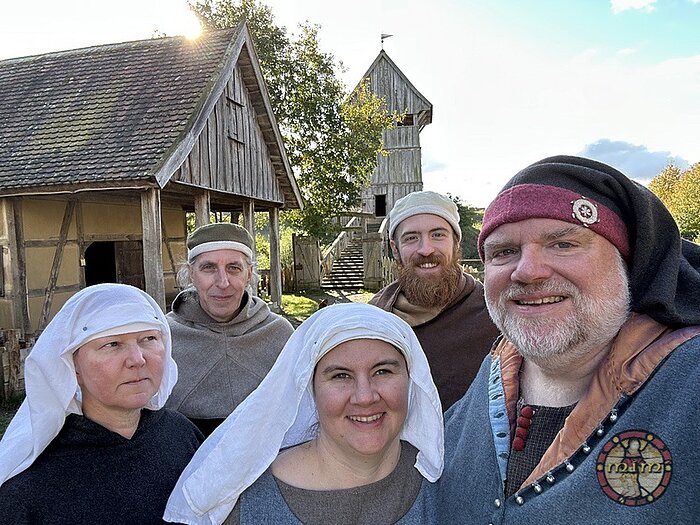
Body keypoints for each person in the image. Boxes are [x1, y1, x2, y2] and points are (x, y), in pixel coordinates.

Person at [437, 155, 700, 524]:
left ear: (627, 264)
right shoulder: (496, 368)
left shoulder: (691, 381)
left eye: (563, 244)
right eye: (504, 252)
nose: (527, 271)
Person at [164, 302, 444, 525]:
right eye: (341, 376)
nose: (365, 396)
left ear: (411, 381)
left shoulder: (444, 485)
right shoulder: (247, 506)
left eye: (382, 371)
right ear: (310, 391)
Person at [0, 283, 204, 524]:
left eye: (148, 338)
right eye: (112, 344)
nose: (137, 359)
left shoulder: (180, 435)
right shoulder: (29, 487)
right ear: (74, 367)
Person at [370, 190, 500, 410]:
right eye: (411, 238)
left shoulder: (493, 314)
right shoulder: (375, 317)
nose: (426, 249)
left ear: (455, 243)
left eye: (438, 235)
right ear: (395, 249)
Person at [165, 222, 294, 436]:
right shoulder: (164, 338)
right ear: (191, 274)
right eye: (209, 268)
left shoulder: (279, 334)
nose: (223, 282)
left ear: (249, 274)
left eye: (234, 268)